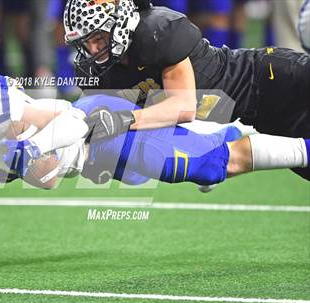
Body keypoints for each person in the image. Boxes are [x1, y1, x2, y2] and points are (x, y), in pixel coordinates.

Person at [0, 65, 309, 284]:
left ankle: (300, 148)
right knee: (208, 157)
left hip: (98, 127)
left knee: (215, 164)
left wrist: (35, 149)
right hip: (89, 158)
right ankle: (228, 131)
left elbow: (72, 118)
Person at [63, 0, 310, 179]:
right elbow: (134, 151)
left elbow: (183, 107)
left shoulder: (155, 30)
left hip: (271, 77)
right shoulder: (98, 74)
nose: (93, 50)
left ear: (119, 24)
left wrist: (122, 119)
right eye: (85, 42)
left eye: (99, 38)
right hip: (258, 115)